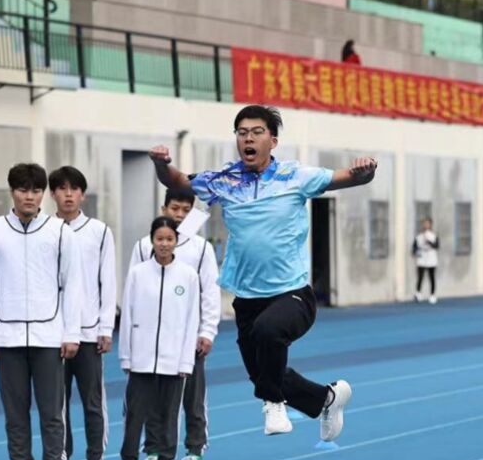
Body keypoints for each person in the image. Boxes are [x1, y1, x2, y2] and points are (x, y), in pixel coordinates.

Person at [148, 104, 376, 439]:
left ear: (273, 140)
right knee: (264, 371)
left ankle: (273, 403)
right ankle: (326, 399)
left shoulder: (295, 177)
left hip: (293, 293)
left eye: (256, 132)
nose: (248, 139)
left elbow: (350, 178)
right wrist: (160, 164)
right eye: (242, 133)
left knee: (269, 335)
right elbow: (178, 181)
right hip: (247, 297)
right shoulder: (223, 181)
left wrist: (365, 169)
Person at [0, 163, 82, 460]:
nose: (30, 197)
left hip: (49, 336)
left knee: (52, 411)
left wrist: (71, 332)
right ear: (12, 192)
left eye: (36, 190)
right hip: (6, 336)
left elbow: (72, 284)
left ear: (43, 195)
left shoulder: (59, 232)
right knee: (15, 411)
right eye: (23, 190)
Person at [127, 187, 220, 460]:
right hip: (152, 339)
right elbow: (134, 292)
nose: (179, 215)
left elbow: (210, 292)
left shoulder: (201, 248)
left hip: (188, 338)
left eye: (185, 210)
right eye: (174, 208)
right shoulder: (144, 246)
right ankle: (153, 451)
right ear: (164, 207)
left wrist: (207, 331)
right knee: (153, 397)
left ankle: (194, 451)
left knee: (192, 396)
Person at [115, 217, 200, 460]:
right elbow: (127, 315)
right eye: (159, 239)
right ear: (151, 240)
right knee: (135, 414)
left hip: (174, 360)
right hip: (141, 358)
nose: (164, 244)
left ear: (176, 242)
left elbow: (191, 320)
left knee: (169, 414)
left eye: (169, 239)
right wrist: (126, 355)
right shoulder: (138, 273)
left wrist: (186, 360)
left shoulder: (188, 275)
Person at [48, 166, 115, 460]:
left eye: (74, 188)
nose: (68, 194)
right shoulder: (43, 231)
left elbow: (107, 280)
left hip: (88, 333)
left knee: (92, 401)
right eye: (61, 188)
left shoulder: (99, 232)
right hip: (52, 333)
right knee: (55, 403)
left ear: (83, 194)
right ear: (53, 194)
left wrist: (105, 327)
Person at [412, 216, 439, 303]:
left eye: (427, 223)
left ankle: (432, 294)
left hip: (431, 258)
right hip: (422, 258)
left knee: (431, 277)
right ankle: (418, 293)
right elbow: (414, 247)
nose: (426, 225)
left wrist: (429, 242)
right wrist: (415, 252)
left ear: (431, 225)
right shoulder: (419, 236)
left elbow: (436, 246)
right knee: (420, 276)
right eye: (424, 223)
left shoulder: (434, 236)